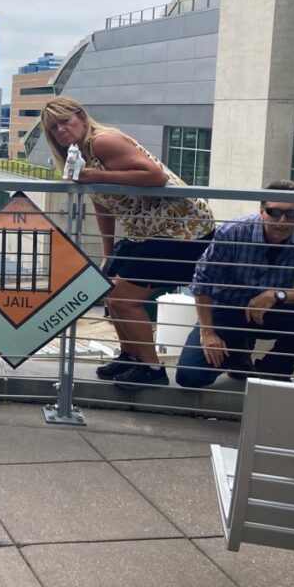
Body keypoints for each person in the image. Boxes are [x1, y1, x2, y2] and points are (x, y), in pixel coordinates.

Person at [40, 96, 214, 390]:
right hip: (148, 231)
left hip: (183, 230)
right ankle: (131, 356)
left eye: (65, 122)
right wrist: (108, 252)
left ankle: (151, 369)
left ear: (82, 117)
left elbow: (154, 175)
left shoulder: (103, 142)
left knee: (123, 297)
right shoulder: (78, 153)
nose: (61, 131)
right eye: (54, 128)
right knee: (110, 288)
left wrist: (97, 175)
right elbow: (103, 203)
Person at [175, 181, 294, 388]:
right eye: (274, 212)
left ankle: (273, 369)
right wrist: (208, 333)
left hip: (272, 312)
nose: (282, 220)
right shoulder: (232, 233)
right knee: (190, 377)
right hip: (227, 312)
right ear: (261, 211)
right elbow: (202, 282)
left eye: (292, 213)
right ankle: (237, 353)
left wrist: (276, 295)